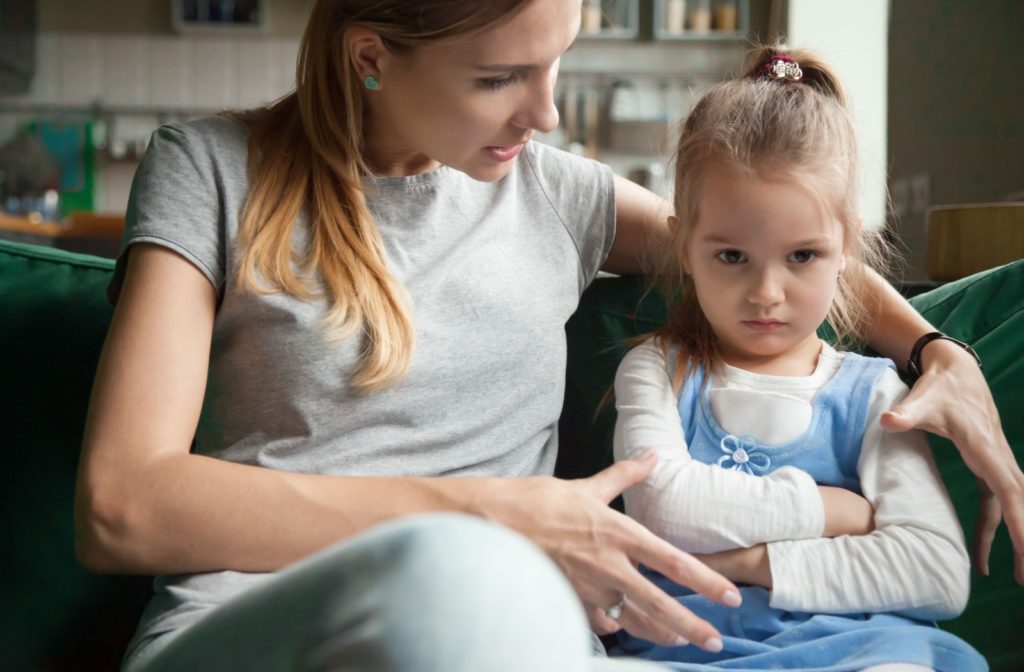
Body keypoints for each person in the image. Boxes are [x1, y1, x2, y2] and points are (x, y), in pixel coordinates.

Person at [71, 1, 1020, 669]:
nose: (548, 112)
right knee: (454, 576)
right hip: (267, 627)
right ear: (370, 56)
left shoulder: (553, 191)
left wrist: (937, 351)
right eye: (500, 77)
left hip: (520, 636)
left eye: (555, 59)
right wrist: (486, 514)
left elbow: (777, 245)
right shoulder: (209, 171)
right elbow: (122, 503)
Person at [609, 47, 988, 671]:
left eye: (802, 256)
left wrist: (744, 563)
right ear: (683, 247)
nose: (766, 293)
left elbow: (935, 570)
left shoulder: (874, 393)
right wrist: (832, 511)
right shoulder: (658, 368)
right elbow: (663, 506)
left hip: (852, 650)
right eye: (731, 257)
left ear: (847, 248)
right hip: (683, 645)